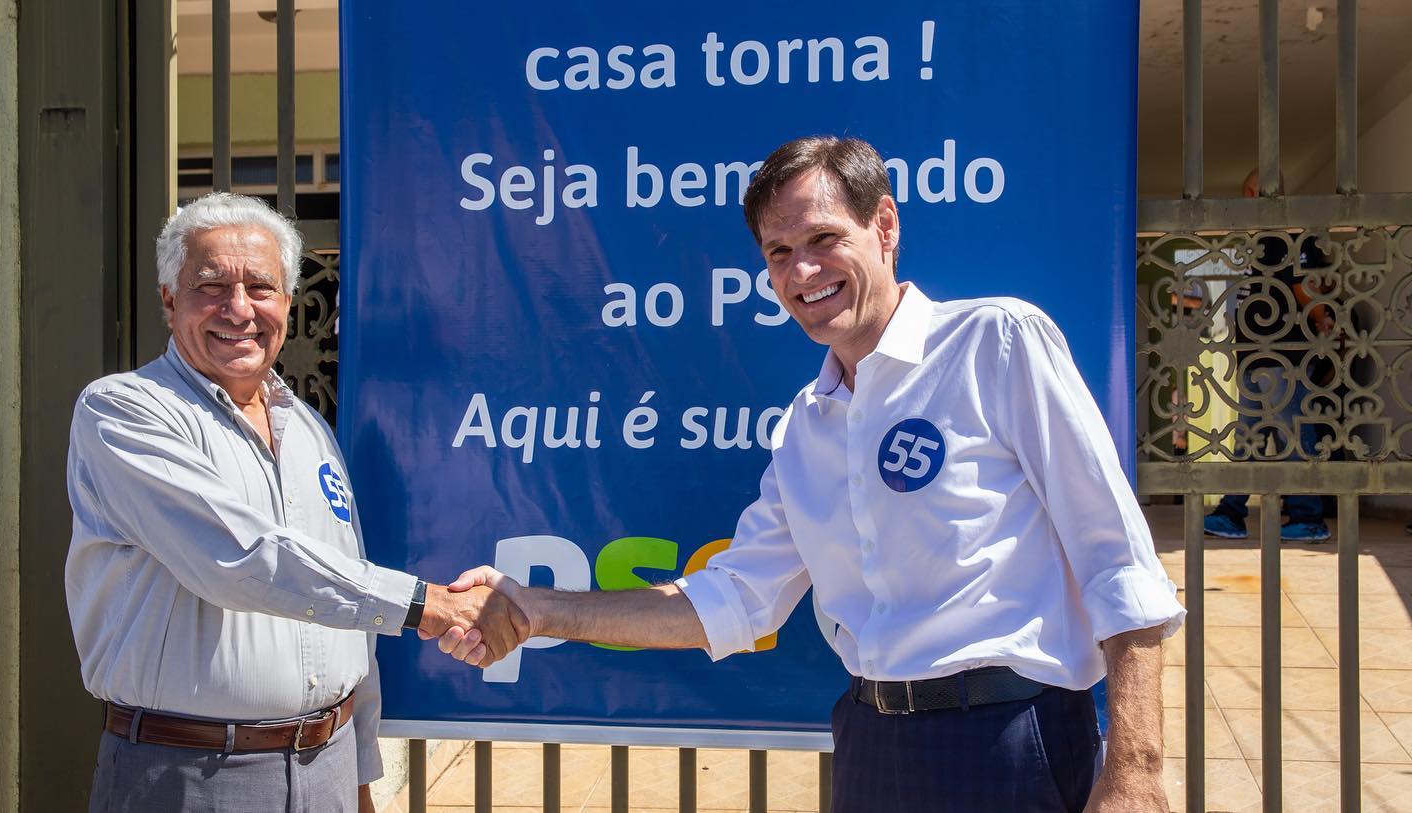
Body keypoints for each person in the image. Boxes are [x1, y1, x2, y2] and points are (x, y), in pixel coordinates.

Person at [436, 137, 1185, 812]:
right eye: (778, 252)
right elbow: (735, 600)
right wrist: (537, 609)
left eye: (824, 238)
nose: (802, 271)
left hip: (1011, 744)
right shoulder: (805, 426)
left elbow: (1116, 559)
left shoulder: (996, 343)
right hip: (870, 750)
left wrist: (1136, 770)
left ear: (884, 226)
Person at [65, 192, 528, 812]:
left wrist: (359, 778)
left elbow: (347, 604)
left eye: (260, 287)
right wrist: (429, 605)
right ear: (169, 299)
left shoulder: (307, 427)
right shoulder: (124, 411)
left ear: (287, 301)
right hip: (187, 775)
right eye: (210, 287)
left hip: (326, 767)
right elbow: (242, 559)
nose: (239, 309)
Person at [1203, 171, 1337, 542]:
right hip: (1259, 356)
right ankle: (1231, 513)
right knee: (1250, 438)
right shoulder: (1265, 239)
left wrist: (1322, 318)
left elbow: (1300, 285)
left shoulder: (1280, 235)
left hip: (1280, 355)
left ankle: (1309, 517)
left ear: (1251, 194)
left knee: (1293, 433)